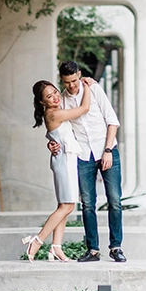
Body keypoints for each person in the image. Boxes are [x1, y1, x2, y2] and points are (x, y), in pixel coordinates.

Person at [50, 61, 126, 263]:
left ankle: (116, 247)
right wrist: (51, 143)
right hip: (83, 155)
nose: (72, 86)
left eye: (74, 80)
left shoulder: (93, 89)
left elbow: (112, 120)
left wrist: (108, 150)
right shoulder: (63, 100)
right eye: (67, 83)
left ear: (80, 75)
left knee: (115, 201)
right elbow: (59, 127)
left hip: (106, 149)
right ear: (62, 81)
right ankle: (93, 250)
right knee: (87, 204)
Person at [22, 78, 93, 262]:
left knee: (64, 206)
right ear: (41, 101)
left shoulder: (55, 111)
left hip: (65, 159)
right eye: (49, 96)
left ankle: (56, 247)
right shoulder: (54, 114)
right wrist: (87, 85)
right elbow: (84, 109)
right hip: (64, 162)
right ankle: (37, 241)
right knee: (67, 206)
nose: (54, 97)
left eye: (55, 92)